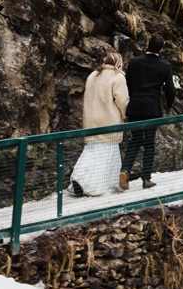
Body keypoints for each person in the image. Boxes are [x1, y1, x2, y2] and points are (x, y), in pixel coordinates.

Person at [71, 49, 128, 197]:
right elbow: (122, 101)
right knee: (106, 155)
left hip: (91, 121)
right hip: (109, 121)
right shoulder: (118, 77)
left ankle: (78, 178)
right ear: (118, 63)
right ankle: (95, 186)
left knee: (91, 152)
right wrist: (125, 114)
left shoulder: (93, 75)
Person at [121, 35, 176, 190]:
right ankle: (146, 178)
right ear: (161, 48)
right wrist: (169, 106)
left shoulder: (134, 62)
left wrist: (133, 97)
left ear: (147, 45)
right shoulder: (164, 66)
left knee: (135, 140)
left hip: (135, 106)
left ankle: (125, 170)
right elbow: (170, 89)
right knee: (149, 144)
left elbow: (128, 83)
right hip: (152, 108)